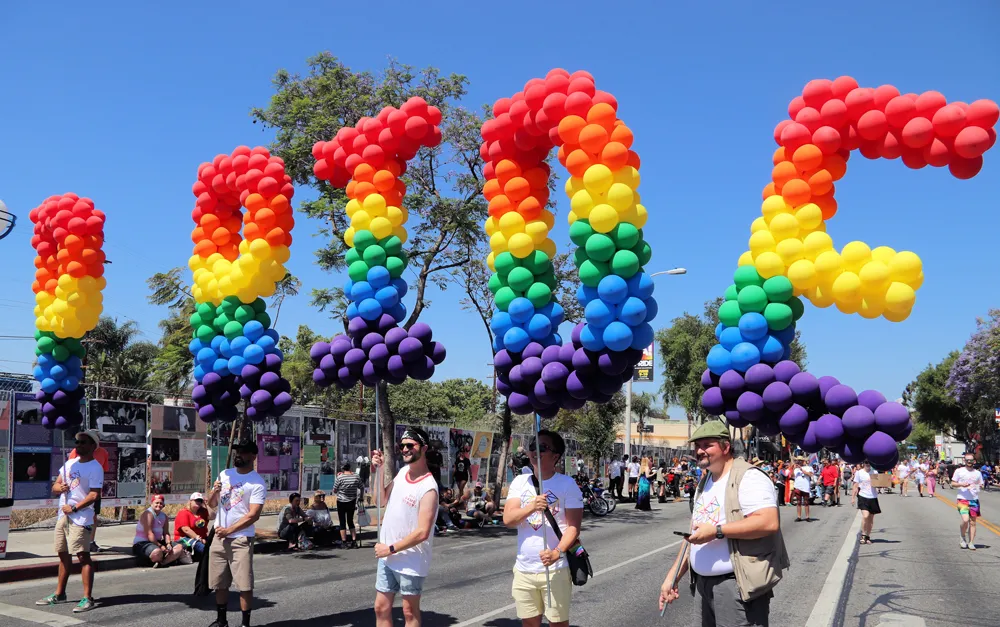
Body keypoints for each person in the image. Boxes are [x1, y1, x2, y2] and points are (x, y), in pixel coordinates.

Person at [659, 421, 787, 626]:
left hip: (736, 585)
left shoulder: (749, 477)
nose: (699, 451)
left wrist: (717, 531)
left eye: (707, 445)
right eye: (697, 446)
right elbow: (693, 535)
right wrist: (672, 577)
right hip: (702, 585)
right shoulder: (706, 481)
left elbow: (768, 522)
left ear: (726, 447)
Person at [504, 430, 583, 627]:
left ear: (556, 456)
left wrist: (557, 552)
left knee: (557, 623)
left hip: (555, 569)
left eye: (542, 447)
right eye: (533, 447)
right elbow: (509, 519)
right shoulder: (520, 482)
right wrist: (531, 506)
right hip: (524, 569)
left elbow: (573, 528)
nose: (535, 451)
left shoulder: (567, 484)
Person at [372, 427, 439, 627]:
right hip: (387, 557)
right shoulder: (402, 473)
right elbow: (380, 500)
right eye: (402, 446)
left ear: (424, 448)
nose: (405, 449)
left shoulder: (429, 488)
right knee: (381, 608)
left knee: (409, 612)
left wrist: (390, 548)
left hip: (411, 560)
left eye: (410, 445)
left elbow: (422, 532)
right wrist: (379, 470)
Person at [36, 429, 104, 613]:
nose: (79, 445)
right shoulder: (70, 463)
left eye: (83, 442)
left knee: (83, 556)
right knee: (63, 555)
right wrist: (61, 487)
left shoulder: (95, 467)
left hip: (81, 517)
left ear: (93, 446)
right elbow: (55, 486)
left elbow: (94, 494)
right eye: (77, 442)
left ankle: (87, 598)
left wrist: (74, 508)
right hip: (63, 516)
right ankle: (60, 594)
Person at [207, 441, 267, 627]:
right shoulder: (225, 474)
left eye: (243, 452)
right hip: (219, 537)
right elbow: (211, 504)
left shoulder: (257, 482)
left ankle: (245, 624)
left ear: (253, 457)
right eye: (237, 451)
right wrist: (214, 492)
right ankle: (221, 620)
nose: (238, 454)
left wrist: (229, 530)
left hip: (240, 539)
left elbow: (253, 515)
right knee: (219, 582)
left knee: (244, 584)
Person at [68, 443, 110, 552]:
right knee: (76, 516)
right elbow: (70, 469)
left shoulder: (103, 452)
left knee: (94, 516)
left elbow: (104, 469)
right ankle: (75, 541)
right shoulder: (76, 451)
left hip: (94, 489)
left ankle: (91, 542)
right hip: (79, 491)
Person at [133, 494, 187, 566]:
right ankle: (165, 559)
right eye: (156, 503)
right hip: (143, 543)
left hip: (157, 542)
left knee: (179, 547)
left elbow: (166, 533)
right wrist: (160, 546)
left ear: (163, 505)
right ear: (152, 503)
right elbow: (149, 534)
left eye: (161, 503)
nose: (159, 505)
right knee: (157, 552)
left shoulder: (164, 516)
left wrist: (168, 543)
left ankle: (163, 563)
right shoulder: (148, 514)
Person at [952, 453, 985, 550]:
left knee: (973, 522)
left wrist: (979, 486)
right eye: (967, 460)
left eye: (971, 460)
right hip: (962, 498)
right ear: (964, 460)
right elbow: (953, 483)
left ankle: (971, 542)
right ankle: (962, 536)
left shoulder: (977, 473)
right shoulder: (959, 471)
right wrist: (961, 484)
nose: (969, 462)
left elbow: (981, 484)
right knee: (965, 519)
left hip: (974, 499)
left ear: (974, 461)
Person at [334, 462, 365, 548]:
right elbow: (362, 487)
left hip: (341, 501)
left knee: (342, 521)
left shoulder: (340, 477)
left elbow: (335, 490)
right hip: (352, 501)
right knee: (350, 521)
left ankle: (344, 542)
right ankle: (354, 541)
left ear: (343, 468)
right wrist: (361, 497)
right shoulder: (356, 476)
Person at [851, 460, 881, 544]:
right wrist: (853, 497)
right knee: (865, 516)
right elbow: (855, 485)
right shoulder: (859, 473)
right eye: (866, 463)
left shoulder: (874, 472)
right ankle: (863, 535)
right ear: (863, 464)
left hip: (873, 497)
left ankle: (867, 536)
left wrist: (882, 484)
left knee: (871, 519)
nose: (868, 464)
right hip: (863, 496)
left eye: (869, 463)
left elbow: (878, 484)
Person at [175, 492, 210, 560]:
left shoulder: (203, 512)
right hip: (185, 538)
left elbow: (212, 516)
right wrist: (199, 539)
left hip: (202, 538)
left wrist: (206, 505)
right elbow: (186, 530)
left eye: (200, 501)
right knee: (202, 547)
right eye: (196, 500)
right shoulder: (183, 512)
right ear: (190, 501)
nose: (198, 502)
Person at [792, 457, 813, 521]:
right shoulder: (796, 469)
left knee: (806, 502)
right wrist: (794, 468)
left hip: (805, 487)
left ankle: (807, 517)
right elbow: (792, 476)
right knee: (798, 502)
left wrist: (802, 469)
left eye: (800, 460)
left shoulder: (808, 467)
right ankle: (799, 517)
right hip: (798, 486)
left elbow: (810, 474)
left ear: (803, 461)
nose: (798, 462)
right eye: (798, 460)